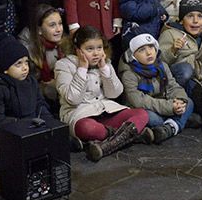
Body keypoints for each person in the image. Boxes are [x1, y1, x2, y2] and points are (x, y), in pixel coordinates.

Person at [56, 26, 148, 161]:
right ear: (77, 49)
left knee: (142, 114)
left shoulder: (105, 63)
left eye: (99, 48)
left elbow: (114, 93)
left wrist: (104, 68)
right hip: (80, 114)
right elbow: (73, 99)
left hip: (106, 111)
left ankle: (107, 146)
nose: (96, 53)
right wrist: (82, 69)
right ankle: (132, 135)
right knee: (87, 128)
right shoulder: (63, 65)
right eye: (90, 49)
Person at [117, 32, 192, 144]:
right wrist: (170, 107)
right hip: (142, 108)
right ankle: (178, 121)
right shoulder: (128, 73)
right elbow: (139, 101)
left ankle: (169, 128)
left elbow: (173, 86)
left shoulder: (162, 65)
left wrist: (179, 100)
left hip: (162, 103)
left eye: (151, 47)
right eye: (142, 50)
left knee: (188, 102)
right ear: (133, 55)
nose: (149, 52)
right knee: (151, 118)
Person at [0, 37, 55, 132]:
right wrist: (25, 125)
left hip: (35, 129)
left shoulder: (31, 81)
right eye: (18, 64)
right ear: (5, 68)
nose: (25, 68)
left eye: (26, 62)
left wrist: (48, 123)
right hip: (13, 133)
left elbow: (40, 105)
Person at [159, 0, 202, 102]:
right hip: (170, 81)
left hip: (193, 81)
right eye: (190, 16)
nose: (195, 20)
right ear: (182, 20)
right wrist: (173, 50)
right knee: (185, 70)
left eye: (200, 16)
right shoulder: (170, 33)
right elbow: (158, 62)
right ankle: (169, 99)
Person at [19, 5, 66, 108]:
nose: (59, 29)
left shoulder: (65, 45)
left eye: (60, 24)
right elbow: (26, 85)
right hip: (35, 101)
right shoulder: (25, 51)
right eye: (52, 25)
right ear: (39, 30)